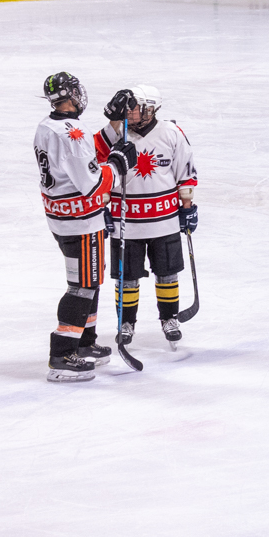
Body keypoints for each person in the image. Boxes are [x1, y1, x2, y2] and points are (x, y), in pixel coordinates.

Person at [36, 71, 134, 382]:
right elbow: (92, 184)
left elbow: (84, 154)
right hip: (81, 222)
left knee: (89, 280)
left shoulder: (48, 126)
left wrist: (113, 125)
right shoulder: (71, 134)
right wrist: (118, 164)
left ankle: (84, 342)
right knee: (83, 286)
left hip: (63, 218)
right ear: (71, 96)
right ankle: (62, 355)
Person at [95, 85, 198, 348]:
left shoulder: (171, 132)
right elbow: (96, 165)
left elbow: (185, 171)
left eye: (134, 108)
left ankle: (169, 319)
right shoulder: (114, 133)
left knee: (167, 272)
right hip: (125, 221)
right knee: (126, 277)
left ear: (150, 109)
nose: (129, 112)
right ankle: (126, 322)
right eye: (126, 108)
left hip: (164, 219)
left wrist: (187, 207)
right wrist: (102, 207)